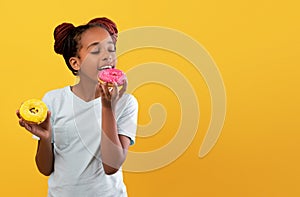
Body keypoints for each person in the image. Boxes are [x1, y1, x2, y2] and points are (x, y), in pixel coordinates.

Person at [16, 17, 138, 197]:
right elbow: (45, 169)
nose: (107, 55)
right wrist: (45, 138)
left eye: (111, 49)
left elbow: (111, 166)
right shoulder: (53, 100)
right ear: (75, 63)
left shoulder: (125, 103)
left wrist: (107, 108)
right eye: (96, 50)